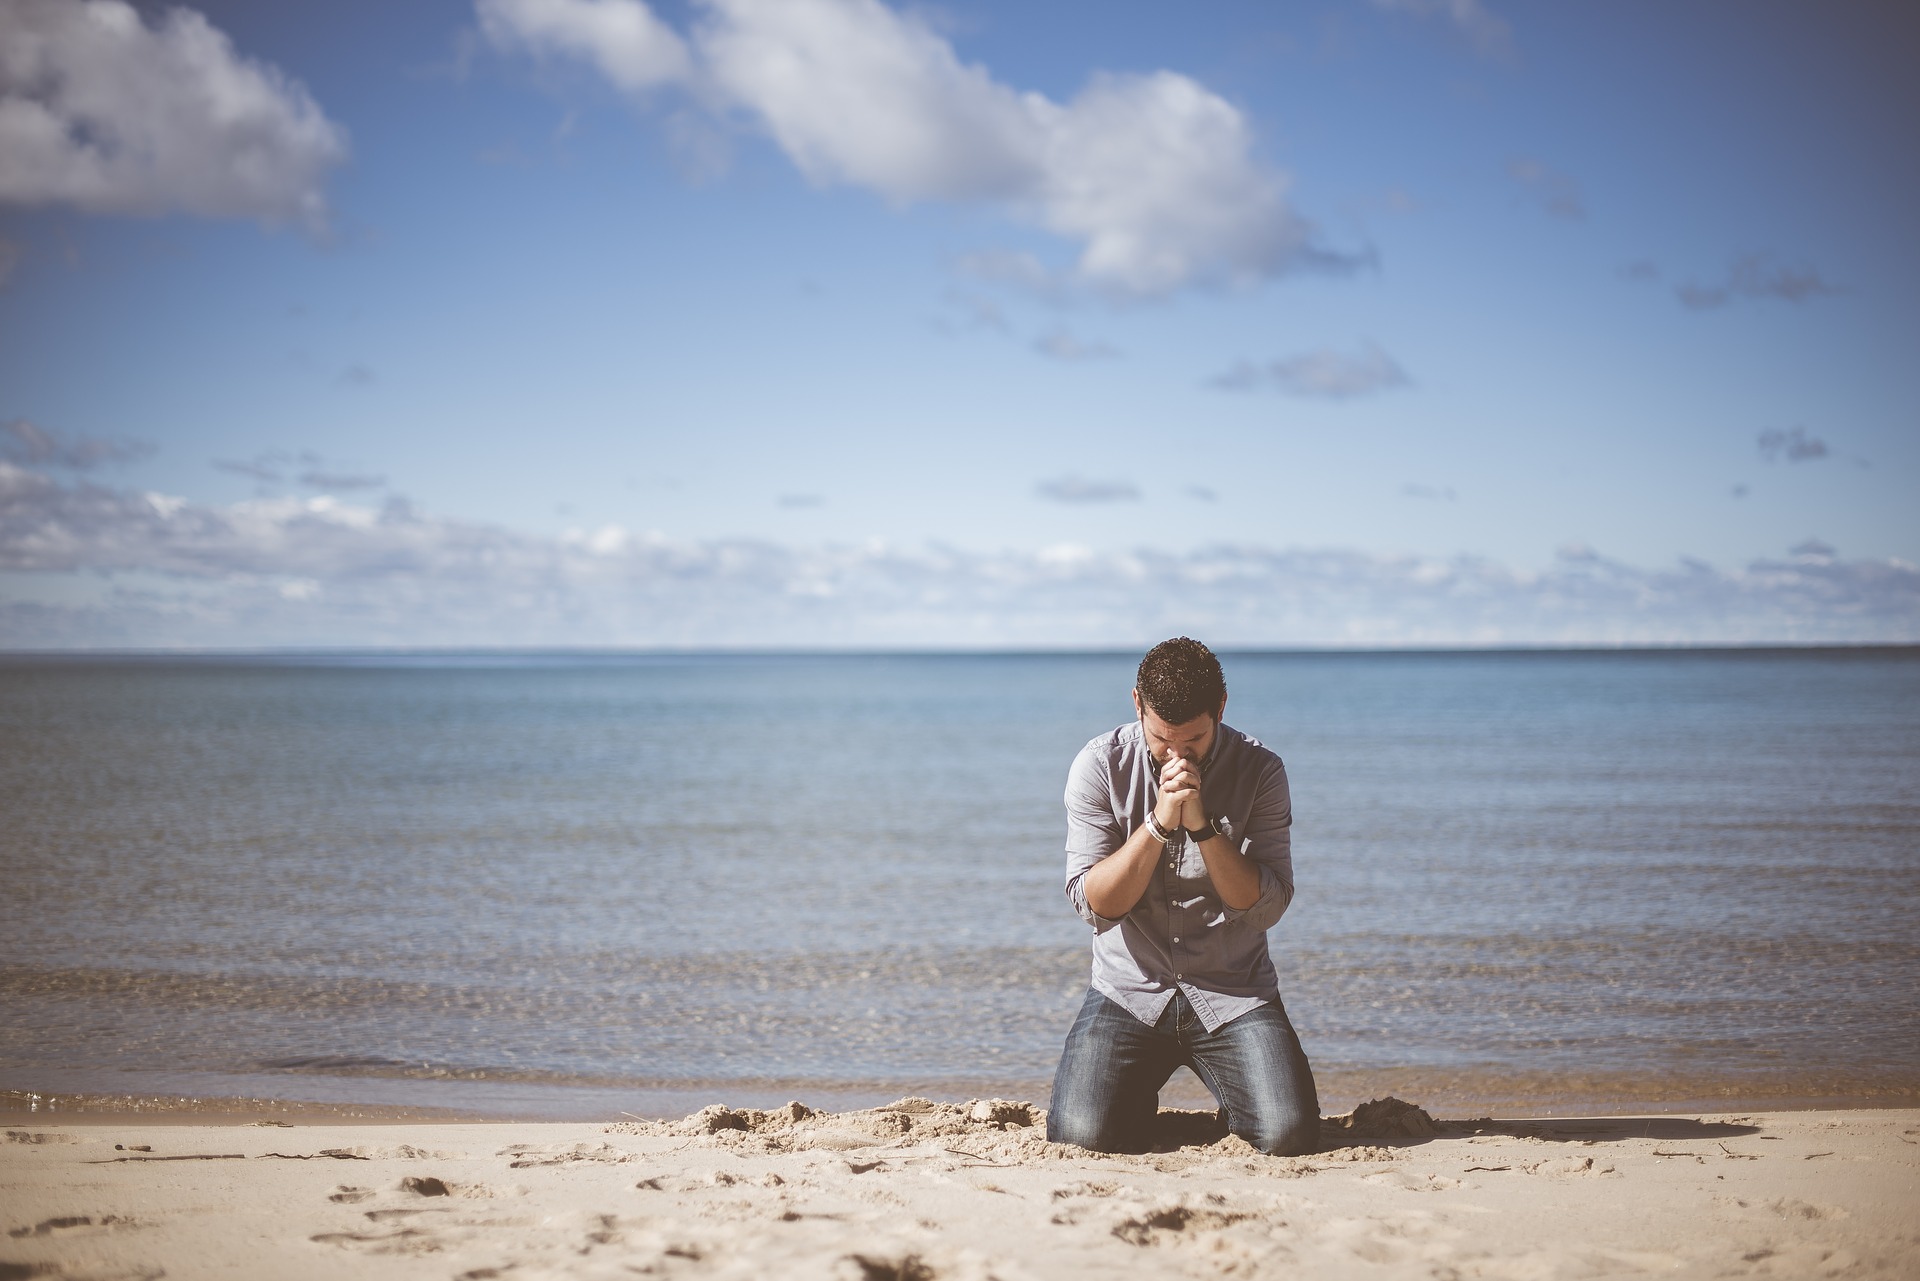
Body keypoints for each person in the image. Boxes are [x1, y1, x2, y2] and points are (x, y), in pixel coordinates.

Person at [1045, 636, 1319, 1156]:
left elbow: (1265, 907)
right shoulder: (1101, 765)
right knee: (1080, 1138)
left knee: (1288, 1136)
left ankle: (1234, 1095)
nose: (1176, 756)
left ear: (1220, 708)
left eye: (1192, 740)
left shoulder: (1261, 770)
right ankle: (1131, 1098)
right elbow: (1093, 904)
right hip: (1128, 991)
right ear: (1137, 706)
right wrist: (1157, 824)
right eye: (1161, 739)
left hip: (1233, 992)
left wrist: (1202, 827)